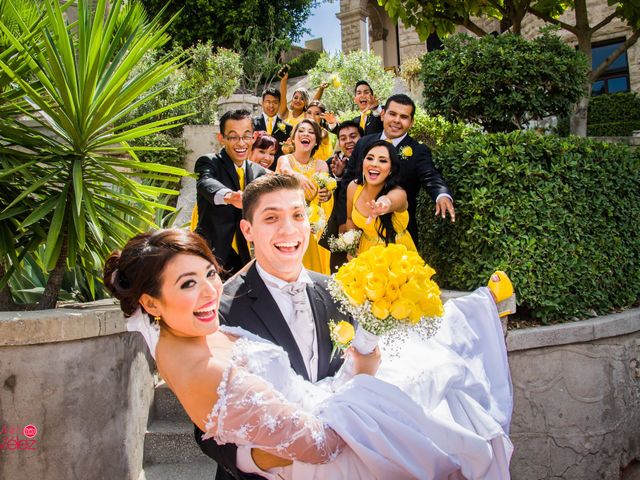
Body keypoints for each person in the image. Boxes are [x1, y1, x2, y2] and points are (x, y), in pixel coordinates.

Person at [104, 223, 514, 479]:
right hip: (333, 459)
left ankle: (478, 311)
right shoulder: (203, 367)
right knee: (430, 386)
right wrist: (357, 393)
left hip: (321, 404)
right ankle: (483, 313)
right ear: (151, 303)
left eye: (210, 273)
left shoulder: (173, 330)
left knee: (428, 361)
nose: (211, 290)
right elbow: (319, 446)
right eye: (187, 284)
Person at [195, 174, 354, 480]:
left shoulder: (338, 291)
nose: (288, 229)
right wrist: (265, 461)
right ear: (248, 230)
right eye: (271, 218)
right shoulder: (221, 310)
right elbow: (206, 425)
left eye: (298, 215)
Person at [339, 94, 455, 245]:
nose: (396, 120)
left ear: (411, 122)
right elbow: (347, 182)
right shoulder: (364, 143)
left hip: (400, 236)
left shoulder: (418, 150)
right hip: (362, 233)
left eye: (404, 117)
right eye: (392, 114)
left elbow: (430, 175)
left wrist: (441, 195)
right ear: (382, 114)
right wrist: (343, 221)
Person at [194, 109, 268, 278]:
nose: (241, 143)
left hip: (244, 257)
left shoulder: (258, 172)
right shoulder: (208, 162)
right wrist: (229, 196)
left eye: (246, 136)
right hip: (210, 253)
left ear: (254, 137)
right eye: (233, 137)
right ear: (221, 138)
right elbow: (205, 182)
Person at [276, 119, 332, 275]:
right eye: (301, 131)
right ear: (293, 138)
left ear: (316, 142)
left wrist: (326, 195)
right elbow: (285, 170)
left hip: (312, 226)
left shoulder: (322, 165)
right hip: (287, 224)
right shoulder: (285, 159)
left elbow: (325, 193)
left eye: (311, 132)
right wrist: (297, 176)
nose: (305, 134)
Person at [346, 140, 417, 255]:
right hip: (365, 253)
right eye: (370, 158)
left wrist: (384, 204)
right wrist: (352, 246)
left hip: (398, 256)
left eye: (383, 161)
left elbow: (391, 200)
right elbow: (350, 219)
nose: (374, 164)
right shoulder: (353, 187)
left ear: (391, 170)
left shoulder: (398, 192)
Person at [320, 120, 364, 271]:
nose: (348, 141)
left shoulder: (371, 162)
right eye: (343, 138)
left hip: (365, 230)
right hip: (340, 232)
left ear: (362, 138)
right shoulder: (334, 163)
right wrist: (338, 176)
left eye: (353, 136)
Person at [253, 87, 292, 169]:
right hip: (254, 168)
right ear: (262, 102)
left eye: (275, 102)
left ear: (279, 104)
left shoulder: (288, 128)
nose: (271, 105)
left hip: (277, 170)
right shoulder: (252, 123)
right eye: (268, 102)